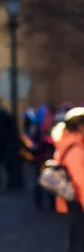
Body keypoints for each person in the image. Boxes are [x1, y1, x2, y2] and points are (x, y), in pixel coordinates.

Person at [51, 107, 84, 252]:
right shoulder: (75, 149)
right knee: (79, 240)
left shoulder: (66, 143)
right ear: (81, 127)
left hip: (74, 199)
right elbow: (81, 181)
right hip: (79, 200)